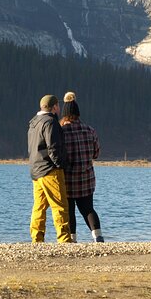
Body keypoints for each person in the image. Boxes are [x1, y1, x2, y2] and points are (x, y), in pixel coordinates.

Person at [27, 94, 73, 243]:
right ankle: (64, 239)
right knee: (60, 205)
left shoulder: (34, 122)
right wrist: (61, 164)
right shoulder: (50, 122)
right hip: (50, 170)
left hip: (36, 170)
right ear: (54, 107)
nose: (59, 108)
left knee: (39, 207)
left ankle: (37, 238)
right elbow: (53, 147)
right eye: (57, 106)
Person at [60, 92, 104, 242]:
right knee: (88, 209)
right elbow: (96, 153)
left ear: (65, 115)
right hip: (86, 178)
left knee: (70, 210)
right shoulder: (90, 130)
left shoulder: (61, 132)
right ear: (78, 114)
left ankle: (72, 239)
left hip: (68, 179)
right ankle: (98, 237)